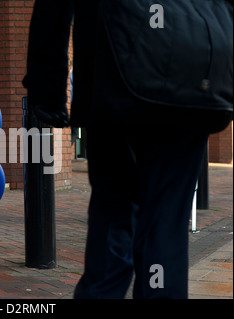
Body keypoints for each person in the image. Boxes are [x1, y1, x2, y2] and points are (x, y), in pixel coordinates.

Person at [23, 0, 233, 298]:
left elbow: (53, 8)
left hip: (116, 75)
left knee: (114, 216)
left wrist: (46, 91)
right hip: (193, 77)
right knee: (165, 226)